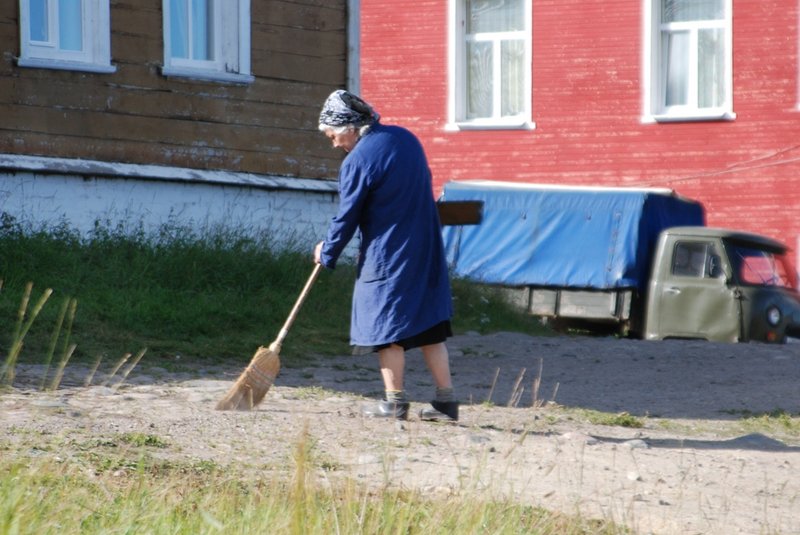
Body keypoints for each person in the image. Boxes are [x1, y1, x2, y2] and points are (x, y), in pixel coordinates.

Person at [313, 89, 458, 422]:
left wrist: (327, 250)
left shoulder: (359, 160)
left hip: (389, 253)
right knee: (429, 324)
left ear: (348, 126)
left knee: (385, 322)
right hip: (426, 248)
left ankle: (394, 403)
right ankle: (446, 403)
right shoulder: (405, 138)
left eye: (332, 135)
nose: (334, 143)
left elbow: (347, 216)